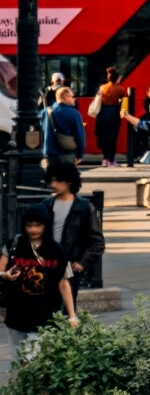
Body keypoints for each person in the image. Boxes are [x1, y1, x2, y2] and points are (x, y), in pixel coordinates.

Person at [3, 211, 78, 349]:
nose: (33, 229)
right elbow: (1, 270)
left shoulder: (57, 250)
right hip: (17, 314)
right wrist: (5, 274)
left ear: (46, 226)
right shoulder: (14, 245)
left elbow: (64, 283)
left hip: (45, 317)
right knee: (21, 359)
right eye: (29, 225)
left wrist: (72, 316)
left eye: (38, 225)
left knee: (35, 360)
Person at [43, 160, 101, 292]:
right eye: (51, 180)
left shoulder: (84, 207)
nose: (53, 184)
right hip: (47, 264)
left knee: (66, 305)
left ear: (68, 181)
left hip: (70, 265)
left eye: (57, 180)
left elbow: (97, 241)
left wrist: (82, 263)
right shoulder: (46, 204)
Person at [90, 66, 125, 167]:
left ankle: (104, 159)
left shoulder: (102, 88)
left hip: (102, 114)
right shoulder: (121, 90)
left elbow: (97, 99)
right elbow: (124, 105)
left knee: (104, 138)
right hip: (114, 115)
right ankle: (111, 160)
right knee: (112, 139)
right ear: (117, 78)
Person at [40, 84, 82, 166]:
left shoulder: (45, 112)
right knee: (67, 177)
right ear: (65, 98)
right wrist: (79, 154)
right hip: (67, 153)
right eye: (72, 96)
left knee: (52, 177)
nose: (74, 99)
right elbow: (79, 136)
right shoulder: (74, 113)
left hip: (49, 153)